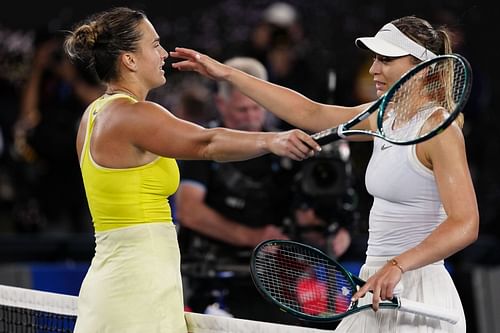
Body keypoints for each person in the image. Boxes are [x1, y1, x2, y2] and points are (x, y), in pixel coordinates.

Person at [171, 15, 479, 332]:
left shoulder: (439, 128)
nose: (374, 69)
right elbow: (310, 112)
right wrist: (227, 73)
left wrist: (398, 265)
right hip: (375, 284)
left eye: (386, 59)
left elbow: (465, 224)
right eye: (375, 58)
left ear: (423, 68)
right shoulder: (384, 117)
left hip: (418, 292)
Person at [63, 6, 320, 333]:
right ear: (129, 60)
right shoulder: (133, 115)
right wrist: (273, 140)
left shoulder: (94, 113)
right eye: (154, 45)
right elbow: (207, 143)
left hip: (122, 283)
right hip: (138, 291)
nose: (163, 53)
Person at [175, 56, 351, 324]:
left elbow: (324, 202)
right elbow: (189, 211)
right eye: (241, 110)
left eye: (256, 109)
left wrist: (329, 230)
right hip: (212, 281)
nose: (250, 117)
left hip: (278, 281)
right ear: (221, 104)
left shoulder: (289, 148)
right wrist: (255, 236)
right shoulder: (201, 144)